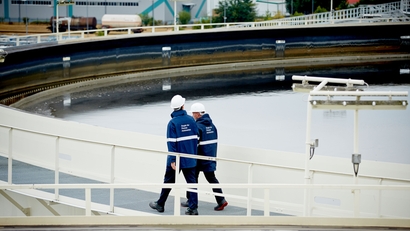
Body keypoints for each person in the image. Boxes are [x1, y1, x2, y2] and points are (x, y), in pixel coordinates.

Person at [149, 94, 200, 215]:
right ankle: (193, 208)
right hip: (190, 158)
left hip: (176, 160)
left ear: (173, 108)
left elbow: (171, 144)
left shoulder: (172, 123)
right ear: (182, 106)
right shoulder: (191, 120)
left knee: (168, 181)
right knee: (192, 183)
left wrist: (172, 160)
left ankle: (160, 204)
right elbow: (196, 138)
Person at [182, 102, 228, 211]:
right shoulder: (212, 126)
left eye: (193, 114)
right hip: (210, 157)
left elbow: (194, 143)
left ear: (198, 114)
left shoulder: (198, 126)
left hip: (199, 158)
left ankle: (190, 201)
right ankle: (221, 200)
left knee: (192, 178)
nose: (193, 116)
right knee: (211, 178)